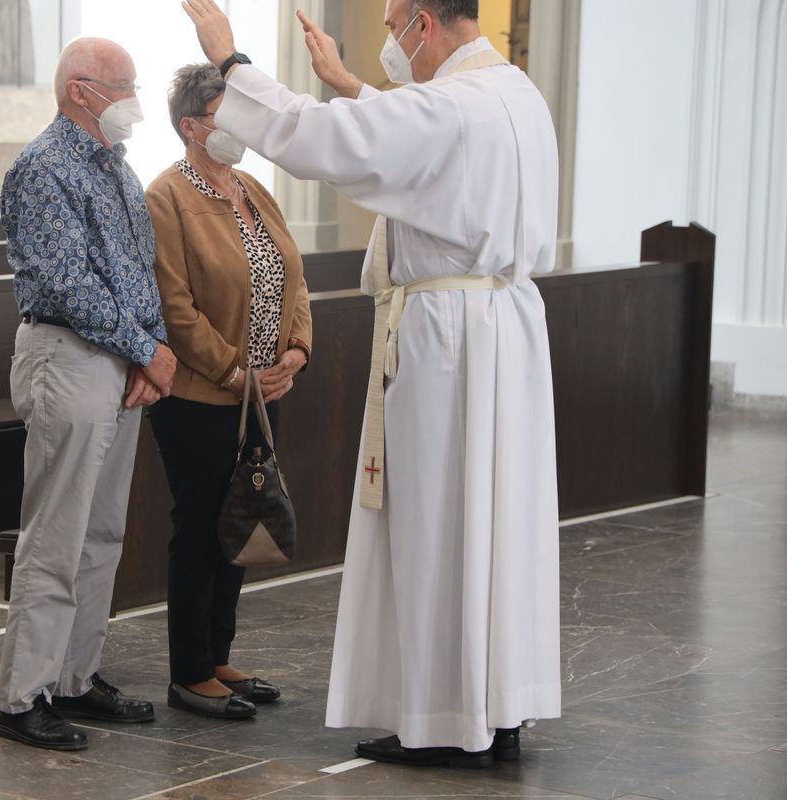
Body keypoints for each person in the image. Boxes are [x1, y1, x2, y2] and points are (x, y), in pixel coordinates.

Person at [184, 0, 561, 767]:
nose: (391, 42)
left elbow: (331, 141)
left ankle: (443, 718)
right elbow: (412, 142)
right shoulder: (513, 93)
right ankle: (497, 704)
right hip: (506, 332)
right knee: (497, 524)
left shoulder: (451, 105)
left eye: (393, 27)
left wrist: (231, 62)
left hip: (450, 342)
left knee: (439, 520)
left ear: (424, 22)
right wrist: (353, 84)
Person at [0, 37, 177, 752]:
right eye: (122, 84)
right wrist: (148, 350)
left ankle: (74, 676)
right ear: (79, 90)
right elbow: (70, 284)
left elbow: (138, 269)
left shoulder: (118, 166)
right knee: (57, 536)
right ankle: (22, 696)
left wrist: (148, 352)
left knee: (102, 532)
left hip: (120, 363)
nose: (133, 96)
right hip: (68, 357)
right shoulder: (43, 169)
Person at [144, 63, 311, 720]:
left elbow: (292, 278)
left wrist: (296, 350)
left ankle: (219, 655)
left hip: (265, 392)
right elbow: (174, 306)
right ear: (191, 126)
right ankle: (188, 672)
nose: (239, 128)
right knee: (201, 529)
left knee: (240, 519)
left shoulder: (251, 187)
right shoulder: (165, 197)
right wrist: (236, 372)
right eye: (225, 115)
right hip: (201, 395)